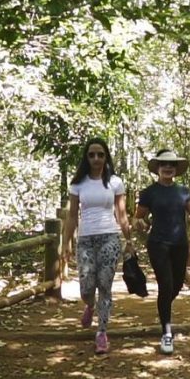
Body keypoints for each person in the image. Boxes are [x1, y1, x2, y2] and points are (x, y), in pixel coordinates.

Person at [134, 149, 190, 355]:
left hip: (180, 244)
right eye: (164, 165)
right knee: (165, 285)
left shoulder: (183, 191)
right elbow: (138, 217)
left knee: (175, 286)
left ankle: (164, 308)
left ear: (176, 169)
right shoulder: (149, 192)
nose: (168, 168)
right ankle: (166, 333)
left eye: (172, 165)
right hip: (158, 243)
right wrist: (140, 222)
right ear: (158, 168)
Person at [62, 137, 133, 354]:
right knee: (86, 286)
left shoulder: (115, 182)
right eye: (92, 154)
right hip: (86, 238)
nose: (96, 158)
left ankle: (102, 332)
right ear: (86, 157)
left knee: (104, 284)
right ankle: (89, 305)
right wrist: (66, 244)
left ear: (106, 157)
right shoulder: (78, 184)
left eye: (100, 154)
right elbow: (72, 216)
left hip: (109, 237)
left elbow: (121, 213)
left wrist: (128, 240)